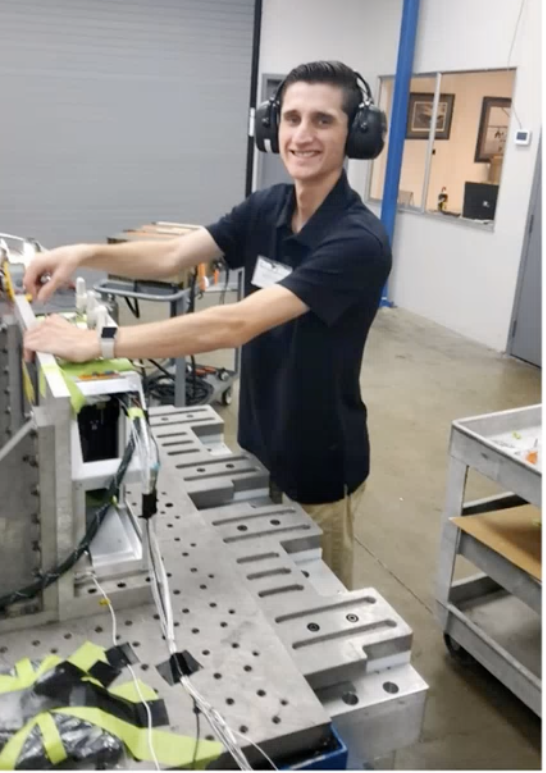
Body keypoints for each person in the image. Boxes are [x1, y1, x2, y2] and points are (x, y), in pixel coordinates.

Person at [23, 61, 392, 589]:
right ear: (271, 127)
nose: (302, 135)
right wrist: (80, 252)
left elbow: (235, 324)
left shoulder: (358, 241)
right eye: (290, 118)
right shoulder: (270, 206)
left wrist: (100, 341)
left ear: (356, 134)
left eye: (323, 121)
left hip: (320, 463)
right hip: (261, 441)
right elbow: (172, 255)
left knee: (317, 603)